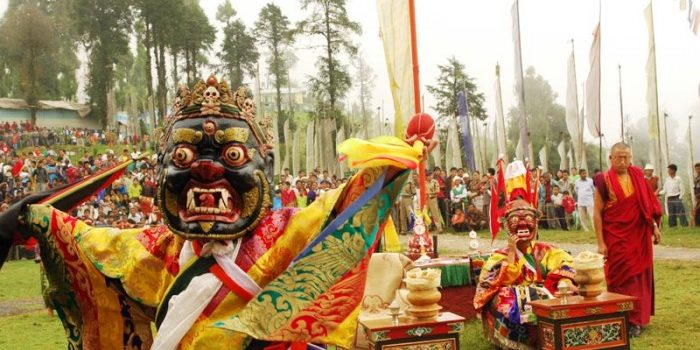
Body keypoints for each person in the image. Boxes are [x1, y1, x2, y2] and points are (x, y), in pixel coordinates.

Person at [0, 76, 425, 349]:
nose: (206, 168)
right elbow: (96, 247)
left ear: (267, 170)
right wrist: (35, 218)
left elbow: (341, 208)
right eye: (183, 154)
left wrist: (394, 161)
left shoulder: (284, 233)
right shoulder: (160, 247)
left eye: (233, 154)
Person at [474, 199, 575, 349]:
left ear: (536, 223)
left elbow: (566, 263)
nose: (523, 224)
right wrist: (512, 251)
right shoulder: (499, 256)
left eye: (528, 219)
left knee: (568, 291)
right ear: (507, 227)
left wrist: (563, 280)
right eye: (515, 220)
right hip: (515, 296)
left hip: (544, 292)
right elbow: (495, 283)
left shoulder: (545, 250)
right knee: (505, 297)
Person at [593, 142, 662, 337]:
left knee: (639, 277)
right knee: (621, 275)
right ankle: (622, 315)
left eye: (626, 157)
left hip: (639, 235)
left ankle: (636, 319)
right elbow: (597, 213)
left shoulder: (638, 176)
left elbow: (647, 205)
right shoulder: (603, 180)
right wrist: (600, 242)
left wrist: (654, 226)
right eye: (619, 157)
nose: (623, 161)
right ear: (610, 158)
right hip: (616, 237)